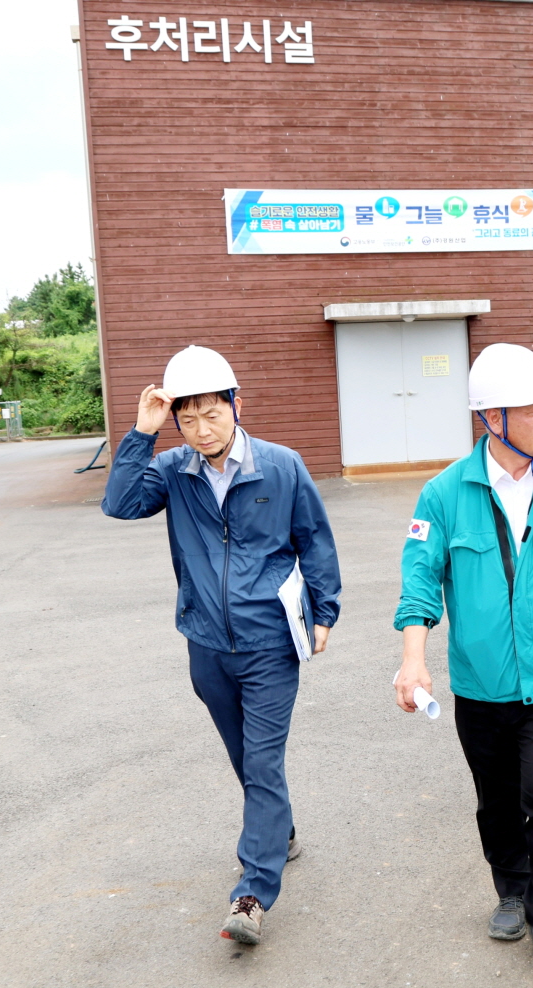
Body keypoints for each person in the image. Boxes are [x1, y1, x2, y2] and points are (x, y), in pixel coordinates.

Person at [101, 345, 341, 946]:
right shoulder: (172, 471)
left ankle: (254, 892)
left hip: (270, 643)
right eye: (189, 418)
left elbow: (314, 539)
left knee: (262, 761)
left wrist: (325, 610)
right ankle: (277, 829)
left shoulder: (281, 466)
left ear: (237, 405)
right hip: (205, 644)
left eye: (213, 414)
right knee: (244, 756)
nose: (202, 430)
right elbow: (119, 503)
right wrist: (140, 432)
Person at [393, 343, 533, 977]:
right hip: (481, 686)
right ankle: (510, 887)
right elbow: (420, 581)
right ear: (492, 418)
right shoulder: (444, 493)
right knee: (496, 797)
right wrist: (414, 660)